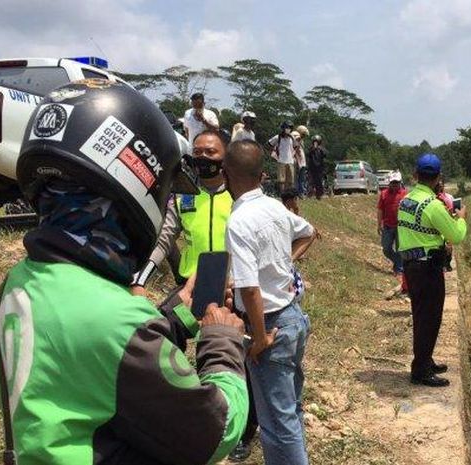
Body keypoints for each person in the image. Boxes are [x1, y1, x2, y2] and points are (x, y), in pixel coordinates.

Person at [0, 81, 248, 464]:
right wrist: (222, 341)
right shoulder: (117, 323)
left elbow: (94, 352)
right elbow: (215, 431)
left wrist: (179, 312)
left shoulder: (22, 281)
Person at [223, 140, 317, 465]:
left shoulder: (239, 222)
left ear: (225, 175)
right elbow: (308, 232)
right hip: (293, 318)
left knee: (277, 424)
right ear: (262, 175)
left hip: (271, 326)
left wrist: (260, 338)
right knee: (290, 410)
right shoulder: (276, 208)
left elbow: (250, 290)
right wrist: (286, 263)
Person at [131, 129, 233, 292]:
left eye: (210, 152)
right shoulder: (182, 196)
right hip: (191, 287)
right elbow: (164, 241)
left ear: (226, 158)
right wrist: (139, 281)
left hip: (233, 287)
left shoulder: (238, 196)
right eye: (197, 152)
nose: (202, 157)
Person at [397, 153, 468, 388]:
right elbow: (456, 236)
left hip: (411, 266)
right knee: (430, 319)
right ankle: (420, 372)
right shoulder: (433, 206)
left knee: (421, 316)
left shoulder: (406, 200)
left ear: (416, 175)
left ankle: (424, 360)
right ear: (438, 177)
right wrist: (461, 218)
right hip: (427, 269)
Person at [377, 171, 407, 279]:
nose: (394, 185)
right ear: (389, 183)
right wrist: (378, 224)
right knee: (386, 249)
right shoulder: (384, 194)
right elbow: (380, 209)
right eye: (392, 182)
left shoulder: (405, 194)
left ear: (400, 182)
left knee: (400, 249)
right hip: (387, 226)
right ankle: (399, 263)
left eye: (396, 182)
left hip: (401, 226)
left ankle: (399, 269)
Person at [267, 121, 299, 192]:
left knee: (290, 180)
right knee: (281, 181)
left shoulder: (292, 137)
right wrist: (273, 154)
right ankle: (283, 194)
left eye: (289, 128)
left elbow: (296, 146)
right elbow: (269, 144)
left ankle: (289, 194)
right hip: (281, 161)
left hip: (290, 161)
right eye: (287, 128)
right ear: (283, 128)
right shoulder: (277, 137)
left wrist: (293, 154)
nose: (288, 129)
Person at [307, 135, 327, 200]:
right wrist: (313, 149)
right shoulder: (311, 149)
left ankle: (319, 195)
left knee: (319, 182)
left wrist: (319, 148)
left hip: (319, 168)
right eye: (314, 141)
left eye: (317, 141)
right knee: (312, 182)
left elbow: (324, 155)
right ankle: (310, 194)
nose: (315, 143)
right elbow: (309, 155)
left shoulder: (321, 149)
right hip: (312, 168)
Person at [293, 125, 310, 197]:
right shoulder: (296, 137)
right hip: (298, 161)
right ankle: (298, 193)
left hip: (302, 162)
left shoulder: (301, 140)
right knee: (298, 178)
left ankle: (301, 192)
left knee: (301, 178)